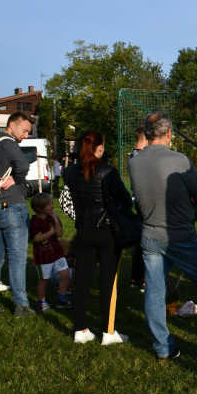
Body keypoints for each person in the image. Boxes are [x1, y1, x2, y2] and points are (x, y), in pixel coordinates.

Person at [129, 112, 197, 360]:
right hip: (179, 235)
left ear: (147, 133)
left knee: (154, 292)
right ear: (168, 133)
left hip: (149, 235)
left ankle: (163, 348)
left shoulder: (133, 162)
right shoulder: (179, 160)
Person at [63, 130, 132, 345]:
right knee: (108, 283)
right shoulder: (107, 170)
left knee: (81, 281)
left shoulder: (70, 172)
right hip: (107, 232)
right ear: (99, 147)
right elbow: (125, 200)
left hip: (83, 232)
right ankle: (108, 332)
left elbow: (68, 201)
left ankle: (80, 329)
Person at [0, 111, 34, 318]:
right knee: (17, 259)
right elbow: (23, 165)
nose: (26, 135)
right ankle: (21, 305)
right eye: (25, 130)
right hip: (11, 206)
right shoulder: (8, 142)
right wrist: (17, 179)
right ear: (12, 125)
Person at [28, 192, 71, 315]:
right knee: (44, 279)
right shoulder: (35, 222)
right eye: (49, 205)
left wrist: (56, 220)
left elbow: (59, 234)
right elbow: (36, 238)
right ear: (39, 208)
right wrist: (51, 231)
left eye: (52, 203)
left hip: (57, 253)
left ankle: (61, 298)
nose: (52, 206)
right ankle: (41, 303)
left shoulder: (52, 217)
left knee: (65, 273)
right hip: (43, 256)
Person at [128, 125, 148, 292]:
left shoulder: (133, 155)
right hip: (145, 203)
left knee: (141, 243)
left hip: (139, 202)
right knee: (146, 242)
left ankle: (136, 278)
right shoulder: (141, 156)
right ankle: (141, 278)